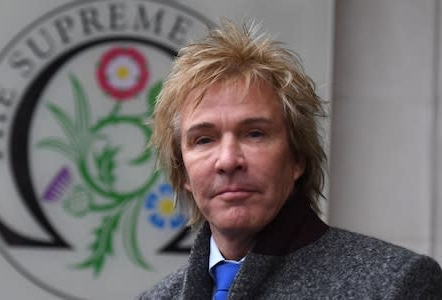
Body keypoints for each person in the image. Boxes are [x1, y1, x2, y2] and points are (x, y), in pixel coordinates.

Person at [137, 19, 442, 299]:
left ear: (298, 157)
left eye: (254, 133)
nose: (228, 160)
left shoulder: (394, 284)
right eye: (204, 139)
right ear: (184, 174)